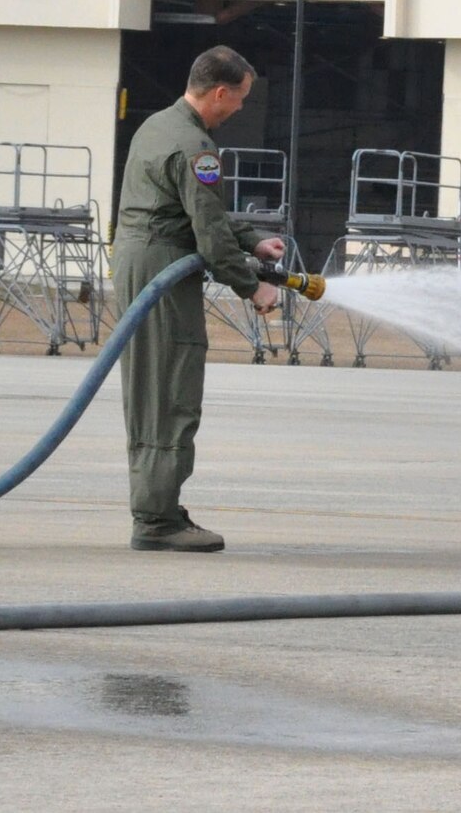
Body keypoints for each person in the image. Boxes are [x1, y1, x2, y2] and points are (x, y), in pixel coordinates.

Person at [111, 45, 284, 552]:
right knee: (170, 392)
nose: (240, 109)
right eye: (241, 99)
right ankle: (156, 519)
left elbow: (190, 210)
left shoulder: (159, 125)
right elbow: (206, 232)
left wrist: (252, 239)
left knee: (151, 390)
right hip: (161, 271)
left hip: (141, 264)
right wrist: (253, 286)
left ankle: (157, 506)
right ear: (221, 92)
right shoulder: (195, 147)